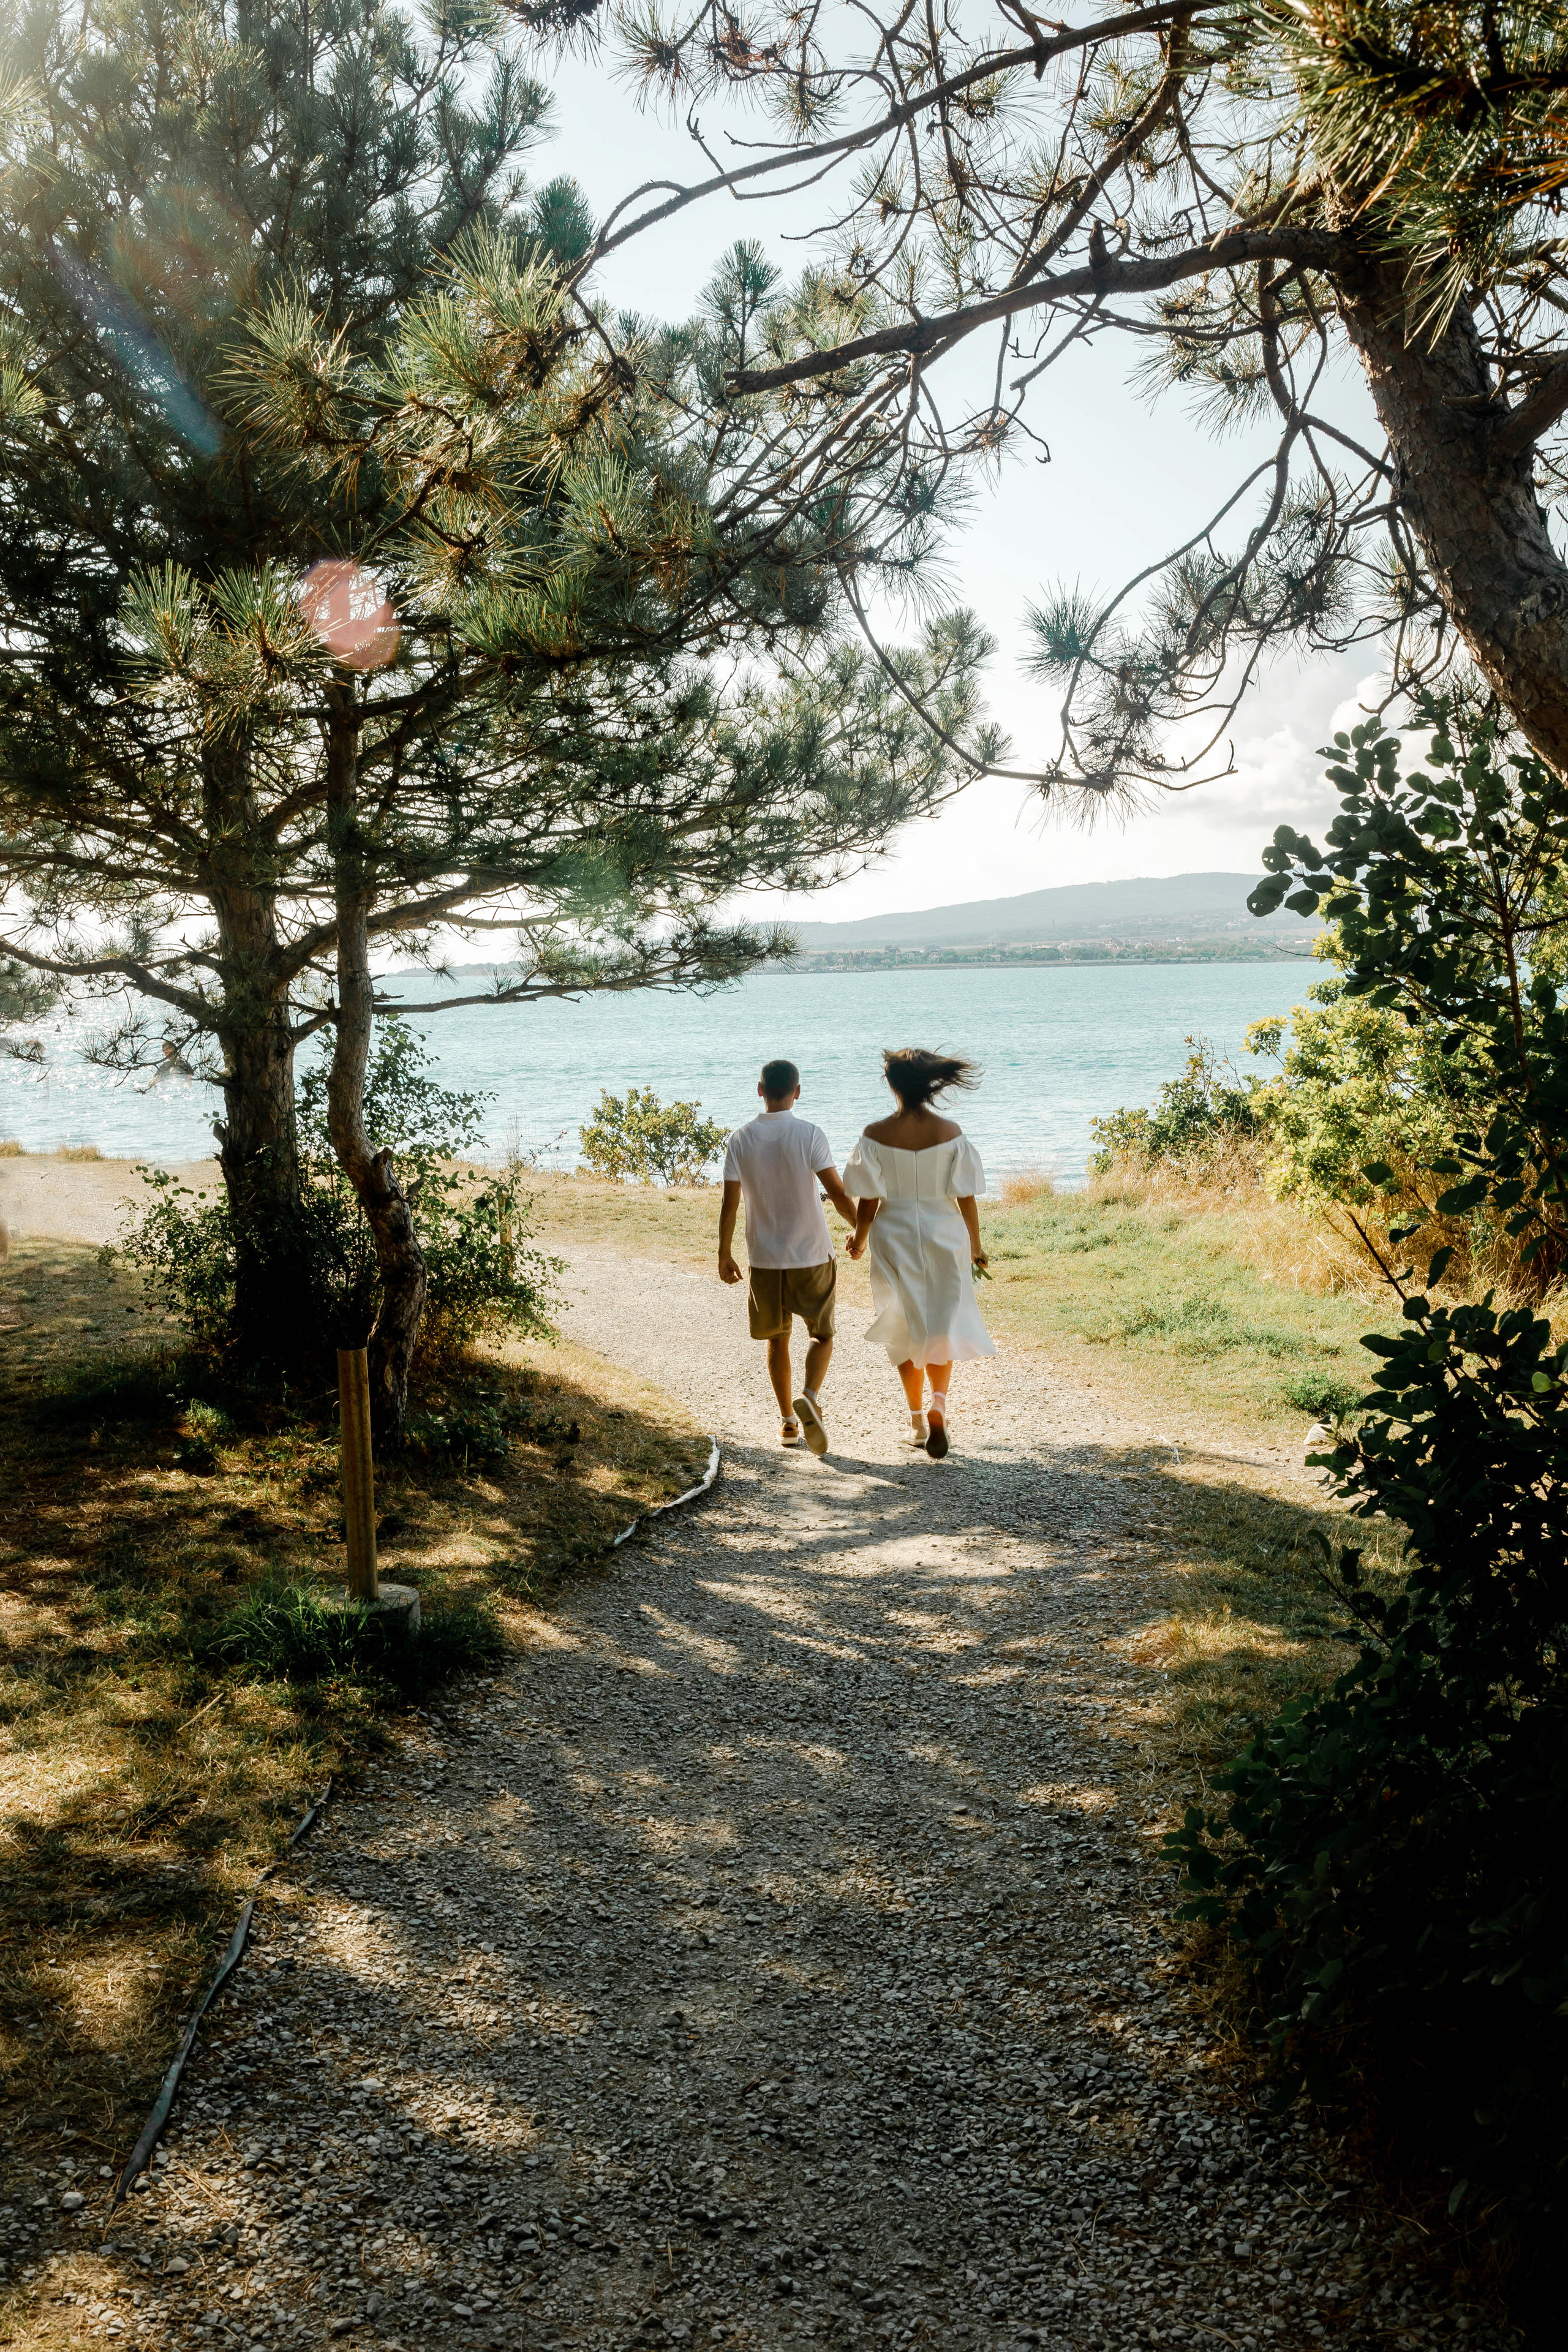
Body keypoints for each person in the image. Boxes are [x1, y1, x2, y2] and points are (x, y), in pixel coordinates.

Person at [843, 1047, 994, 1458]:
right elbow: (966, 1197)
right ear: (930, 1084)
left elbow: (869, 1200)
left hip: (893, 1234)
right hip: (945, 1232)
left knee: (904, 1323)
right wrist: (977, 1247)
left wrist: (858, 1238)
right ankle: (939, 1406)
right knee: (942, 1321)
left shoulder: (874, 1135)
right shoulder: (951, 1133)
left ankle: (914, 1420)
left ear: (892, 1085)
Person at [718, 1058, 858, 1453]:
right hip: (812, 1253)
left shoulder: (740, 1139)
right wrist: (860, 1231)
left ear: (760, 1090)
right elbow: (840, 1194)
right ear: (797, 1091)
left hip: (764, 1258)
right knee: (823, 1334)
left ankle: (787, 1424)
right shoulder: (810, 1134)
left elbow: (730, 1204)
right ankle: (810, 1396)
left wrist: (724, 1253)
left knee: (778, 1340)